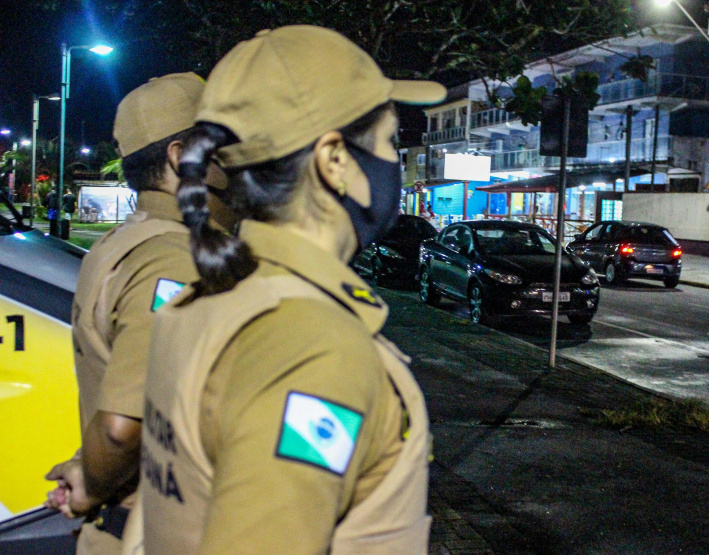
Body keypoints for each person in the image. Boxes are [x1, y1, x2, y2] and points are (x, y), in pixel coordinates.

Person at [140, 26, 445, 554]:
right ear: (334, 161)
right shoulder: (312, 348)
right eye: (387, 139)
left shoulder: (212, 296)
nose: (393, 159)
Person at [43, 73, 234, 555]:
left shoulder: (125, 243)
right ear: (180, 157)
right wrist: (91, 478)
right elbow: (122, 426)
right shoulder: (176, 259)